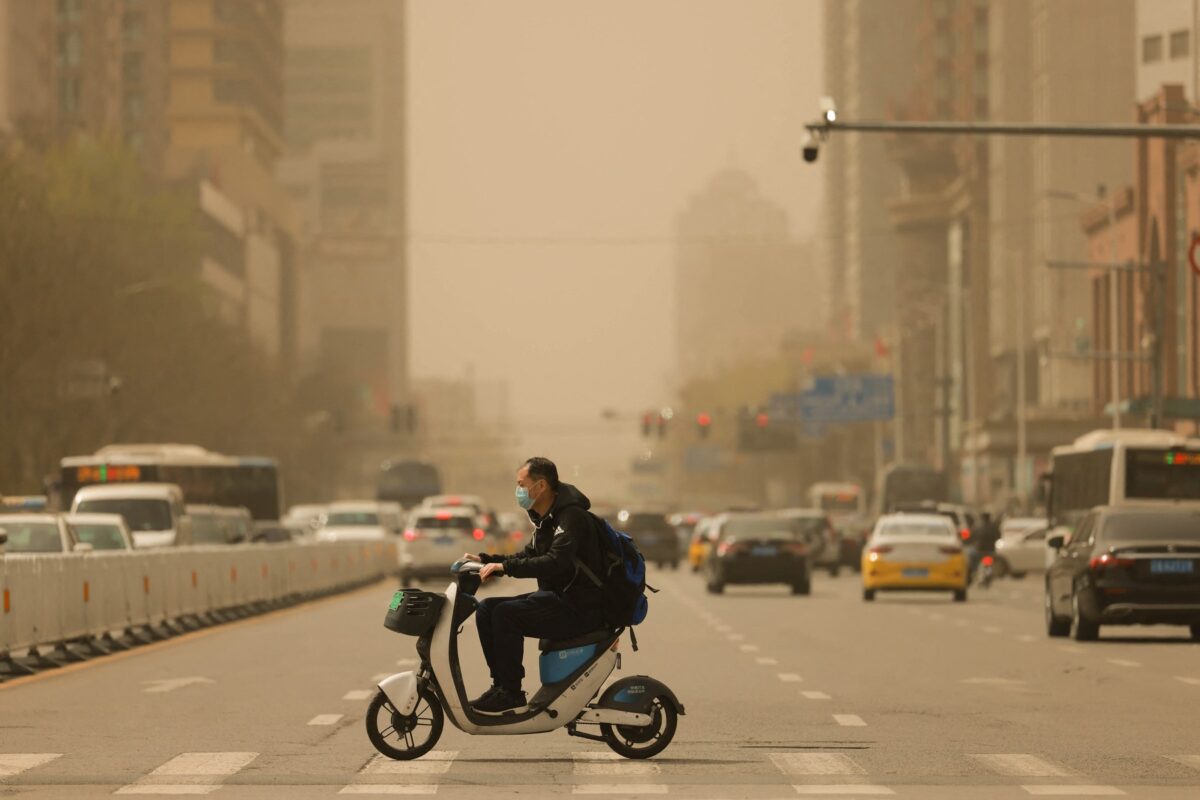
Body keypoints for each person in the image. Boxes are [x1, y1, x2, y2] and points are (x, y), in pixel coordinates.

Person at [462, 457, 605, 714]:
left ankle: (512, 693)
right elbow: (527, 555)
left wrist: (505, 568)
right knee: (486, 609)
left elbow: (555, 562)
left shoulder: (571, 518)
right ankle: (502, 687)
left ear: (540, 487)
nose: (518, 491)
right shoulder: (546, 521)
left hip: (581, 608)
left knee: (506, 615)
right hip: (558, 598)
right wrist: (488, 561)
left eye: (521, 484)